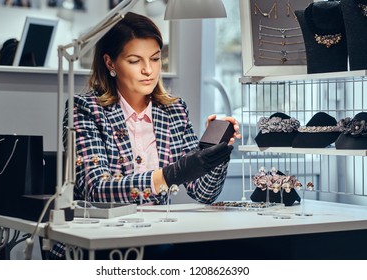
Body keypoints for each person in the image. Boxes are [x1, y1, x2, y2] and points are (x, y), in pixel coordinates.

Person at [49, 12, 241, 259]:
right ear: (110, 63)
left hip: (154, 236)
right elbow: (95, 188)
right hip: (100, 241)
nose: (148, 70)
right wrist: (170, 175)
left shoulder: (173, 111)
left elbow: (203, 193)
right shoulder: (85, 109)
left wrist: (216, 157)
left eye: (155, 58)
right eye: (134, 60)